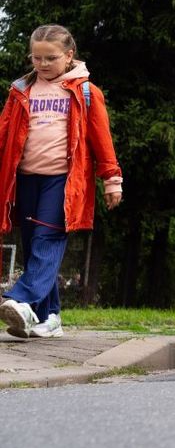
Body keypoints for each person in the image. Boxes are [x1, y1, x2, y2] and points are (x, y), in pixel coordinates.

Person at [0, 24, 123, 339]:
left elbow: (101, 139)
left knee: (47, 240)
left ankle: (20, 298)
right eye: (36, 58)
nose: (42, 64)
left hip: (63, 181)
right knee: (33, 246)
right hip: (26, 179)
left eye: (50, 58)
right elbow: (4, 132)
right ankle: (50, 316)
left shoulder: (84, 92)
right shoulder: (21, 91)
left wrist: (112, 179)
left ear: (69, 56)